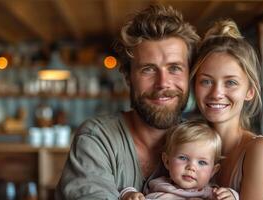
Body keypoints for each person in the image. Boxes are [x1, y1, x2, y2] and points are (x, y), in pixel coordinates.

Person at [55, 5, 199, 199]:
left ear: (189, 75)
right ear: (128, 77)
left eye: (174, 68)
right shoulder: (97, 139)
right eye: (148, 69)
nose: (163, 83)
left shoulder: (202, 142)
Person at [191, 19, 263, 200]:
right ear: (194, 86)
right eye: (206, 81)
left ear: (250, 92)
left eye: (231, 82)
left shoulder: (261, 150)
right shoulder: (186, 143)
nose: (216, 93)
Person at [119, 120, 239, 200]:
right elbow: (135, 195)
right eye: (183, 158)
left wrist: (232, 195)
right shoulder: (157, 185)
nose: (191, 167)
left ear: (213, 170)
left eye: (202, 162)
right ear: (167, 161)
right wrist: (129, 194)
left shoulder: (212, 194)